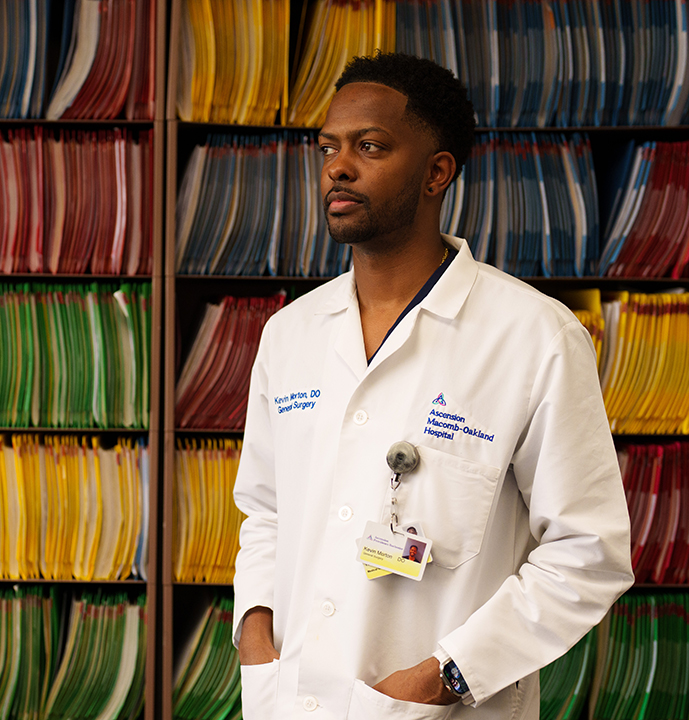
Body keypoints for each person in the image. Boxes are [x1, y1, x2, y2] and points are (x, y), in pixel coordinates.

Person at [231, 52, 633, 720]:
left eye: (370, 146)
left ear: (436, 172)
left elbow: (587, 556)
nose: (337, 165)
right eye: (328, 146)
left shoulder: (533, 337)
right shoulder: (291, 334)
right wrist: (255, 634)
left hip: (437, 705)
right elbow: (266, 511)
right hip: (292, 699)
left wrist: (446, 676)